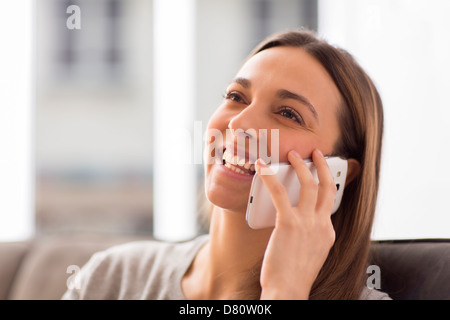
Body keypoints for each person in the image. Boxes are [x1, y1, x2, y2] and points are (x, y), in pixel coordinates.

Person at [62, 30, 390, 300]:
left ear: (339, 175)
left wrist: (284, 292)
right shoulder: (109, 280)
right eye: (236, 97)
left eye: (288, 113)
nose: (240, 123)